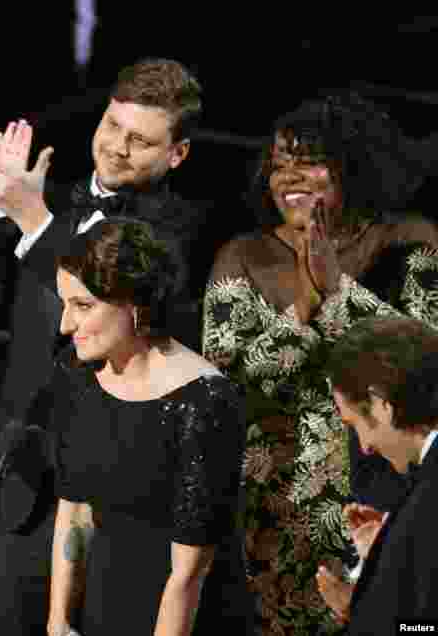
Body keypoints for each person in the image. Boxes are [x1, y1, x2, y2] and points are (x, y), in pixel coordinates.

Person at [0, 58, 207, 635]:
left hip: (103, 492)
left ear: (176, 154)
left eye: (141, 140)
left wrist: (31, 218)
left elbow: (108, 301)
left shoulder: (182, 231)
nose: (117, 148)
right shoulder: (43, 199)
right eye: (112, 126)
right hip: (5, 476)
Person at [202, 93, 438, 634]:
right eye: (279, 163)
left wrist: (338, 290)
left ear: (352, 164)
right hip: (276, 504)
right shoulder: (242, 255)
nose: (289, 176)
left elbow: (425, 362)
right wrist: (304, 309)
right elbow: (228, 376)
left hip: (381, 493)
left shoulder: (410, 243)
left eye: (307, 161)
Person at [43, 218, 250, 635]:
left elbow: (190, 572)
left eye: (82, 306)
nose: (66, 325)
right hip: (103, 599)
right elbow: (75, 512)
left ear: (135, 304)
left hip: (180, 614)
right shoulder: (78, 374)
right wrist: (59, 622)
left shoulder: (204, 400)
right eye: (65, 304)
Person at [315, 317, 438, 634]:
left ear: (381, 403)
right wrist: (389, 554)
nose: (365, 447)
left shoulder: (428, 502)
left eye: (355, 425)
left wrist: (360, 611)